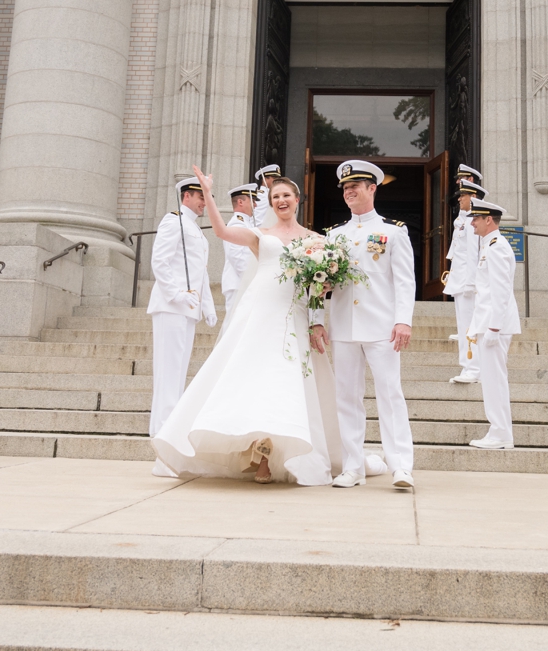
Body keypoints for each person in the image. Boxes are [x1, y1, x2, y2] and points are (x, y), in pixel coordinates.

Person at [152, 166, 335, 485]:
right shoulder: (259, 235)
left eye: (286, 195)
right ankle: (256, 453)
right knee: (256, 379)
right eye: (275, 196)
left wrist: (318, 323)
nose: (281, 200)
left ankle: (275, 455)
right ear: (271, 202)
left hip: (293, 316)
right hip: (259, 314)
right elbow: (222, 231)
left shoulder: (316, 241)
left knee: (286, 384)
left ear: (297, 199)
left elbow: (317, 288)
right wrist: (207, 193)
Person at [309, 160, 417, 490]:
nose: (349, 191)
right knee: (346, 398)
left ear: (373, 188)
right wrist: (316, 320)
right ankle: (353, 466)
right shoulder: (334, 236)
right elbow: (317, 280)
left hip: (382, 326)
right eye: (344, 187)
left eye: (356, 186)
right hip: (343, 327)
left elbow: (404, 281)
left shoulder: (393, 232)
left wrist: (403, 321)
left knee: (390, 394)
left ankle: (400, 466)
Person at [146, 177, 218, 475]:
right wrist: (176, 294)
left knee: (176, 377)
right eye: (201, 197)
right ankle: (163, 449)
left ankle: (168, 444)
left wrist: (208, 306)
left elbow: (199, 273)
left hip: (186, 311)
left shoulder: (194, 229)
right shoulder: (172, 221)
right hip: (171, 307)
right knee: (168, 377)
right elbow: (159, 261)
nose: (205, 202)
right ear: (187, 196)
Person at [465, 197, 520, 450]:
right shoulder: (490, 245)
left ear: (489, 219)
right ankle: (499, 431)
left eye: (476, 218)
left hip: (493, 326)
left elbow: (500, 291)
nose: (472, 223)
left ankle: (500, 434)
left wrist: (494, 328)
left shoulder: (497, 247)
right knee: (491, 380)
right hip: (488, 324)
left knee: (494, 380)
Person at [444, 177, 486, 384]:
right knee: (464, 327)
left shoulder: (473, 222)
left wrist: (471, 283)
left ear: (474, 197)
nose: (459, 198)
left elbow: (473, 254)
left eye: (463, 195)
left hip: (467, 282)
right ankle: (469, 367)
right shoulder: (465, 219)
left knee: (470, 327)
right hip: (460, 280)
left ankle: (473, 369)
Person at [221, 183, 259, 315]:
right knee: (233, 327)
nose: (256, 205)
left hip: (242, 284)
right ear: (240, 202)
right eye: (252, 200)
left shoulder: (246, 223)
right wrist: (250, 280)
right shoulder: (238, 223)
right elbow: (236, 256)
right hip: (238, 284)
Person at [251, 163, 282, 227]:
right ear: (265, 179)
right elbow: (257, 220)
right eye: (274, 178)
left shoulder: (269, 194)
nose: (277, 181)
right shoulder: (262, 195)